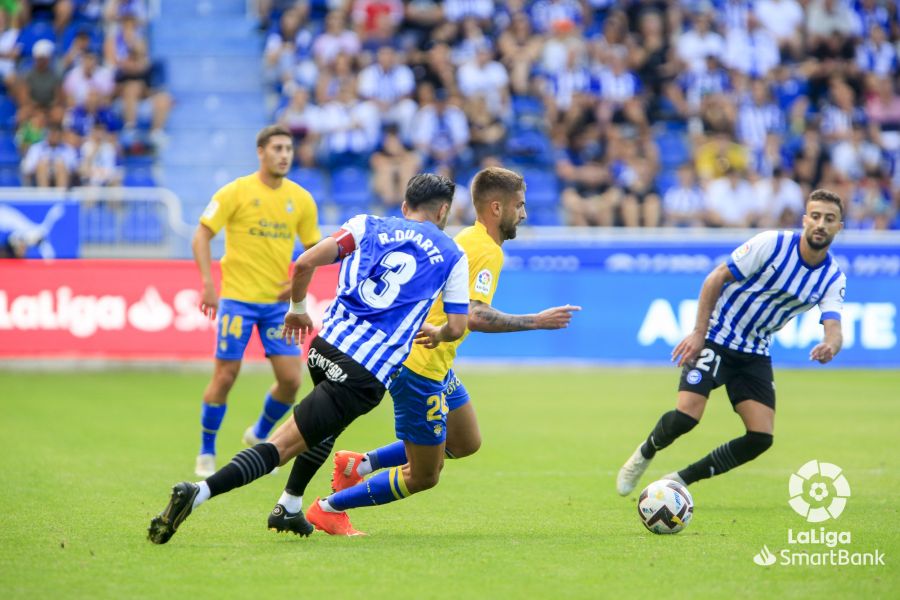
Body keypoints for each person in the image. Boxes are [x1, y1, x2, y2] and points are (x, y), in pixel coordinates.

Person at [148, 173, 470, 544]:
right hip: (362, 373)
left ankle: (290, 505)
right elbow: (458, 324)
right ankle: (198, 492)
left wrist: (298, 309)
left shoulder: (365, 224)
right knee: (282, 447)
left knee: (325, 426)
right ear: (444, 210)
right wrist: (440, 333)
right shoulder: (451, 254)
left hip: (323, 349)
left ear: (404, 206)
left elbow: (303, 265)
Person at [303, 166, 582, 535]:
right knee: (425, 475)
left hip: (436, 359)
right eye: (520, 205)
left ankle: (359, 465)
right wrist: (536, 321)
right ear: (496, 208)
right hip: (421, 365)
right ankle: (328, 508)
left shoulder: (469, 237)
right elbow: (475, 315)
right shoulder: (485, 251)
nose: (525, 214)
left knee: (465, 440)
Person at [616, 189, 847, 495]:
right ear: (805, 220)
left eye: (829, 219)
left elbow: (834, 328)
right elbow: (716, 277)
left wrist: (830, 345)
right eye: (815, 216)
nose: (821, 224)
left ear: (838, 227)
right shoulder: (773, 244)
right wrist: (699, 333)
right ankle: (644, 453)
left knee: (760, 437)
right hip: (717, 337)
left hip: (755, 352)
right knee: (686, 416)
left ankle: (680, 480)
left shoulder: (832, 277)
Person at [190, 125, 321, 478]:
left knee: (292, 381)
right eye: (277, 148)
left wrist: (296, 285)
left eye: (289, 149)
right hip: (237, 301)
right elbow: (202, 236)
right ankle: (206, 450)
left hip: (277, 307)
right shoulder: (236, 192)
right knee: (226, 375)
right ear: (261, 152)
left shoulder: (302, 199)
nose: (284, 155)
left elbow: (314, 251)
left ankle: (260, 434)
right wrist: (207, 285)